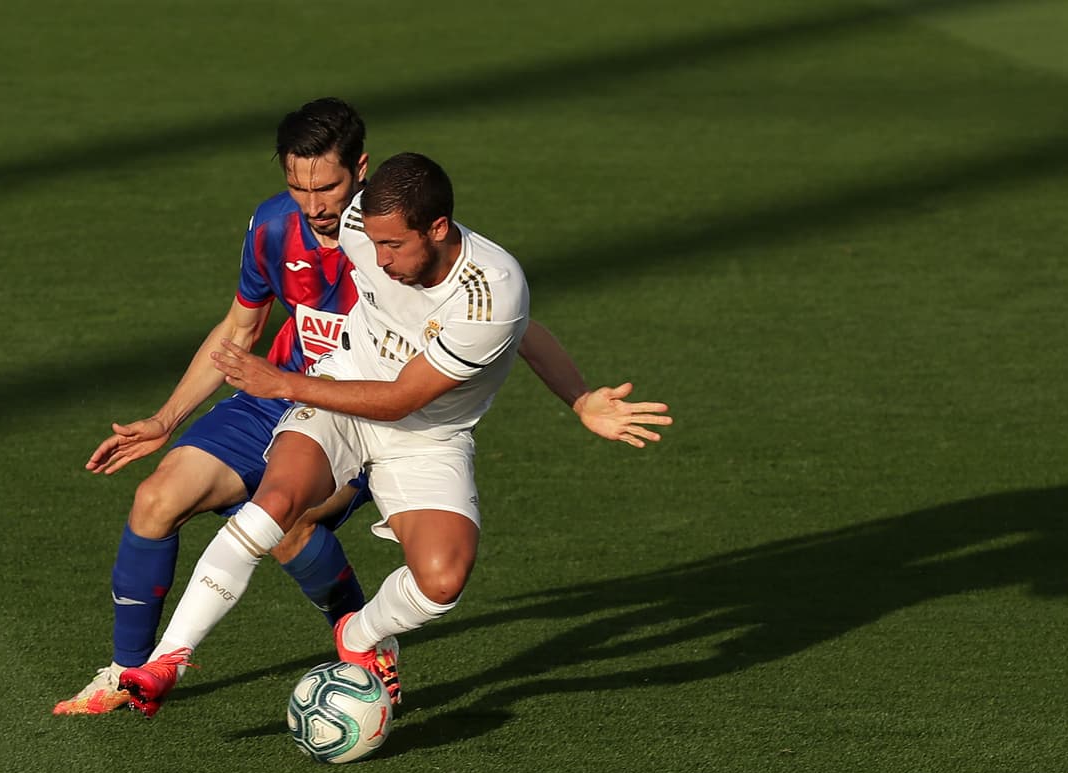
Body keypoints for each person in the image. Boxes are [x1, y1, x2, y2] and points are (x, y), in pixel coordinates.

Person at [55, 103, 671, 716]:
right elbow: (243, 326)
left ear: (435, 229)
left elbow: (419, 389)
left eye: (389, 244)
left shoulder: (489, 294)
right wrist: (170, 418)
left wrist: (579, 397)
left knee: (442, 582)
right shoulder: (349, 223)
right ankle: (162, 661)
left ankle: (358, 633)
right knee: (273, 506)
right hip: (338, 390)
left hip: (423, 432)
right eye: (300, 189)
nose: (373, 260)